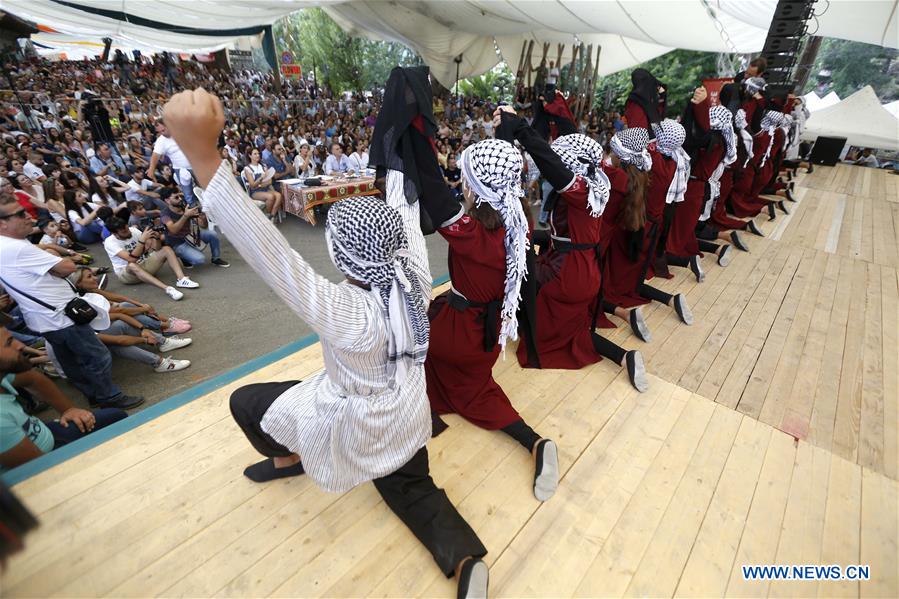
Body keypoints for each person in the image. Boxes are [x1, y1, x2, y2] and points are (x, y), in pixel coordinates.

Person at [163, 84, 490, 599]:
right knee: (413, 488)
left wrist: (204, 158)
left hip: (362, 419)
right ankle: (467, 560)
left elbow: (275, 258)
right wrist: (402, 125)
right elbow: (402, 212)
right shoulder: (409, 272)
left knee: (246, 401)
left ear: (342, 254)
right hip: (409, 410)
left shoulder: (346, 311)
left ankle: (287, 460)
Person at [421, 136, 560, 502]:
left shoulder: (471, 232)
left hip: (459, 334)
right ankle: (533, 441)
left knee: (406, 345)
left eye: (467, 178)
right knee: (477, 389)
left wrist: (416, 133)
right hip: (490, 334)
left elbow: (434, 192)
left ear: (477, 186)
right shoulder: (520, 222)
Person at [494, 108, 648, 392]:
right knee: (572, 333)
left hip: (568, 273)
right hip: (582, 268)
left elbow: (550, 164)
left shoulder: (581, 190)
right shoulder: (596, 184)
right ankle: (624, 357)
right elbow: (562, 234)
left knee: (514, 273)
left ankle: (497, 324)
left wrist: (520, 128)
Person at [0, 195, 143, 410]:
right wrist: (64, 259)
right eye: (20, 214)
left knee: (71, 361)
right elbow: (68, 267)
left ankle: (93, 395)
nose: (29, 216)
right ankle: (109, 396)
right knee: (97, 355)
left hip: (43, 318)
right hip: (61, 316)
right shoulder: (17, 248)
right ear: (2, 223)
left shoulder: (6, 245)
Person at [598, 126, 693, 338]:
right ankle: (670, 299)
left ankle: (626, 314)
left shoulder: (619, 178)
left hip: (625, 234)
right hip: (644, 228)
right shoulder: (663, 165)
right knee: (632, 282)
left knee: (611, 287)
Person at [0, 328, 128, 473]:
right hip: (44, 463)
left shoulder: (3, 374)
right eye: (8, 343)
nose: (20, 345)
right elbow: (42, 471)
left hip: (44, 435)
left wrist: (68, 409)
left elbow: (33, 379)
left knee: (116, 416)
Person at [102, 217, 199, 300]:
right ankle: (168, 289)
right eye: (124, 232)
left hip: (144, 264)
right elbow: (131, 259)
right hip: (127, 275)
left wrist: (156, 238)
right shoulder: (110, 242)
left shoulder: (133, 230)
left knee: (166, 249)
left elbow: (156, 248)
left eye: (127, 228)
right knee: (132, 265)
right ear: (115, 233)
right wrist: (141, 241)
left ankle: (181, 279)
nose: (128, 232)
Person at [160, 190, 230, 268]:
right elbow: (173, 230)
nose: (180, 199)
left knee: (212, 234)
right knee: (200, 259)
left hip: (190, 237)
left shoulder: (184, 207)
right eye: (176, 197)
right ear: (167, 200)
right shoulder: (165, 214)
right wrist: (185, 216)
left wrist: (203, 217)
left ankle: (216, 258)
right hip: (177, 243)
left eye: (181, 196)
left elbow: (203, 226)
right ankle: (183, 257)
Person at [147, 118, 196, 205]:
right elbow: (155, 155)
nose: (162, 133)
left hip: (196, 164)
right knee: (188, 193)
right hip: (180, 168)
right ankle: (194, 209)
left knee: (206, 187)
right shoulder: (161, 141)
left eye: (163, 130)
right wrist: (151, 169)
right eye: (159, 132)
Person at [242, 148, 284, 223]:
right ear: (250, 156)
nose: (257, 155)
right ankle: (268, 216)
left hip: (265, 188)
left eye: (258, 153)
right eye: (255, 154)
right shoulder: (247, 169)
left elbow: (270, 181)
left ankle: (271, 216)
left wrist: (260, 184)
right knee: (270, 197)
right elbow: (252, 185)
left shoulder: (263, 166)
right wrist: (261, 178)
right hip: (255, 192)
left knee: (279, 195)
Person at [624, 68, 666, 136]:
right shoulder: (635, 103)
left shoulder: (647, 102)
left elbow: (662, 90)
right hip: (644, 139)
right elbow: (638, 133)